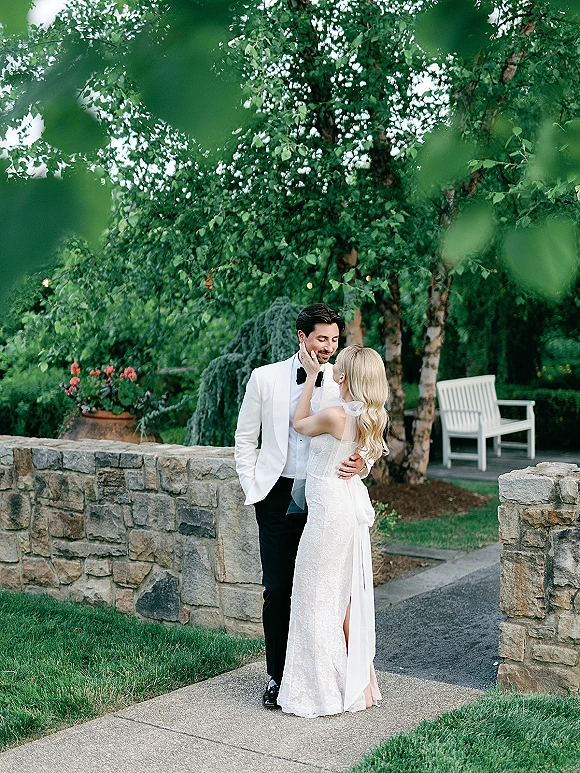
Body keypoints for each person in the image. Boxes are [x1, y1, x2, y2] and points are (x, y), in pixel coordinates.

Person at [234, 304, 369, 710]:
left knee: (321, 590)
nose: (328, 347)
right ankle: (278, 676)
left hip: (325, 497)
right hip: (276, 495)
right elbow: (244, 439)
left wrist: (365, 462)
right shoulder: (265, 377)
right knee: (278, 589)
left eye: (333, 339)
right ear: (301, 337)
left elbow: (371, 429)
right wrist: (253, 487)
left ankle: (322, 675)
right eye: (321, 338)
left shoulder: (345, 382)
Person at [277, 343, 389, 718]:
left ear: (343, 377)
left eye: (336, 367)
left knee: (315, 597)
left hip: (328, 516)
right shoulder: (368, 416)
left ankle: (325, 690)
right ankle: (357, 684)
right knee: (336, 596)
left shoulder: (335, 416)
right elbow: (366, 454)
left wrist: (310, 377)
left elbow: (298, 423)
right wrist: (363, 462)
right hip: (339, 511)